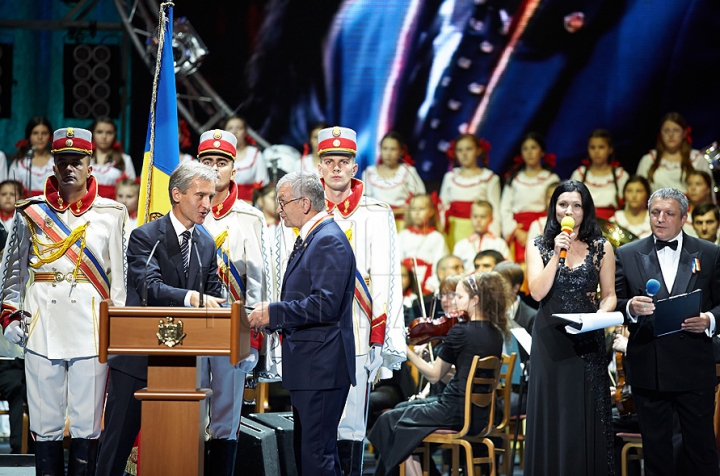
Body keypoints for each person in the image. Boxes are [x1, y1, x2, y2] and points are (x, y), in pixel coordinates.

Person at [0, 127, 128, 474]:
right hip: (42, 328)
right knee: (45, 424)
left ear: (90, 166)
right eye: (62, 161)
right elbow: (11, 269)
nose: (69, 168)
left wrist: (115, 327)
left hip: (93, 329)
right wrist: (10, 314)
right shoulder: (30, 212)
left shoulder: (112, 213)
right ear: (53, 166)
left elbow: (120, 281)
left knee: (88, 424)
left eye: (77, 161)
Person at [97, 161, 224, 476]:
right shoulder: (145, 237)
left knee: (176, 454)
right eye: (201, 196)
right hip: (137, 361)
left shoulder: (207, 243)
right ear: (177, 194)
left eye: (211, 196)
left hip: (182, 367)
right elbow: (149, 287)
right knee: (115, 450)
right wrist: (191, 298)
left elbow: (214, 294)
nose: (208, 205)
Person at [247, 171, 356, 475]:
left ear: (305, 203)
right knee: (308, 453)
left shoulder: (327, 241)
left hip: (321, 367)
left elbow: (325, 303)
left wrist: (275, 313)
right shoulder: (315, 238)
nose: (278, 209)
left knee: (317, 457)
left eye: (283, 202)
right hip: (312, 366)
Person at [314, 126, 406, 475]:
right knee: (313, 421)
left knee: (351, 422)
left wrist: (379, 337)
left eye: (344, 161)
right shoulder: (304, 208)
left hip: (359, 326)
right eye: (329, 161)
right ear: (318, 166)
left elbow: (386, 278)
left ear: (355, 167)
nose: (336, 168)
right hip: (313, 328)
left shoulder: (377, 212)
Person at [614, 187, 720, 476]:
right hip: (650, 368)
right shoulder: (626, 253)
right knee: (657, 453)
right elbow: (615, 303)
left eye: (669, 213)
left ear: (684, 217)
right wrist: (630, 308)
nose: (660, 219)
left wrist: (709, 319)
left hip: (694, 367)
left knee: (701, 450)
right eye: (655, 213)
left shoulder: (710, 253)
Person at [369, 271, 509, 476]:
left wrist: (407, 351)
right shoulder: (495, 333)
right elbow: (462, 375)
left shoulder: (460, 332)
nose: (456, 303)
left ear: (476, 300)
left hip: (453, 411)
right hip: (478, 414)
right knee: (401, 411)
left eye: (460, 297)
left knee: (389, 421)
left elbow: (434, 376)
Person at [524, 179, 617, 475]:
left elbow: (610, 294)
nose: (570, 210)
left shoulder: (602, 248)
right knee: (553, 412)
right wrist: (555, 254)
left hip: (587, 339)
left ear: (585, 210)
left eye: (577, 205)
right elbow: (537, 293)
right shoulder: (538, 245)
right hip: (550, 340)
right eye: (563, 204)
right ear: (554, 209)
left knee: (583, 412)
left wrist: (602, 314)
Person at [197, 129, 269, 474]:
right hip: (189, 326)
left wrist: (253, 337)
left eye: (220, 162)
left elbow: (258, 284)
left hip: (230, 327)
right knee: (189, 411)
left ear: (233, 169)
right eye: (207, 162)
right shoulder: (180, 212)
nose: (214, 169)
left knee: (226, 415)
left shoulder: (250, 218)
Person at [501, 132, 560, 263]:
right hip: (518, 232)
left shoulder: (551, 178)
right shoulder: (514, 179)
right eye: (525, 148)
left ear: (542, 152)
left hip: (543, 229)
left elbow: (555, 206)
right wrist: (516, 231)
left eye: (533, 148)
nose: (529, 152)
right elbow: (504, 209)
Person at [439, 134, 500, 248]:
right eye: (460, 150)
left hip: (478, 229)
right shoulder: (450, 177)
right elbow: (443, 206)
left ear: (478, 151)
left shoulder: (489, 178)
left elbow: (495, 211)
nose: (464, 154)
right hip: (453, 230)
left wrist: (493, 238)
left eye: (469, 149)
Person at [636, 112, 712, 193]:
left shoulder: (697, 160)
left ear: (684, 133)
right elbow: (638, 191)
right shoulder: (648, 160)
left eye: (676, 130)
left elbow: (708, 193)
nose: (671, 134)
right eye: (666, 130)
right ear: (661, 133)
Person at [362, 131, 426, 226]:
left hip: (401, 223)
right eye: (385, 148)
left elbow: (422, 199)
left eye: (393, 149)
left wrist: (402, 211)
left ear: (401, 151)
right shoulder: (369, 173)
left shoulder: (408, 171)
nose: (388, 153)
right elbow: (364, 202)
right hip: (377, 223)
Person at [570, 129, 629, 220]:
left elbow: (628, 206)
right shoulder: (579, 174)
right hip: (583, 223)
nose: (596, 151)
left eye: (601, 147)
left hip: (612, 224)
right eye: (592, 147)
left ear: (610, 149)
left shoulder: (620, 176)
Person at [397, 194, 448, 294]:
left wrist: (431, 286)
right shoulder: (403, 235)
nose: (416, 212)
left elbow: (440, 265)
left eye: (421, 209)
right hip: (404, 286)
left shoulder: (436, 237)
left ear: (431, 211)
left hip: (427, 286)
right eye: (413, 209)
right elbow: (397, 261)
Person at [453, 200, 510, 271]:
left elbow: (507, 268)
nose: (478, 220)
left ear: (491, 219)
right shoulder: (461, 245)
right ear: (470, 217)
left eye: (482, 217)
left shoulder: (499, 243)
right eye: (475, 216)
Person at [89, 116, 136, 199]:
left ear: (115, 134)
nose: (104, 137)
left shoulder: (125, 159)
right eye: (99, 132)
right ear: (93, 133)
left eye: (109, 133)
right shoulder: (85, 158)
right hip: (87, 205)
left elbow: (132, 189)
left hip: (115, 206)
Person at [226, 116, 269, 201]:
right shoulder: (219, 155)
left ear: (245, 132)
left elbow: (263, 184)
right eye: (230, 128)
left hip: (248, 204)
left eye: (239, 128)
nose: (234, 132)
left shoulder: (254, 154)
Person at [8, 117, 54, 196]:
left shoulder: (56, 162)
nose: (40, 137)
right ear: (29, 136)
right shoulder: (19, 163)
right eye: (35, 133)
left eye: (44, 133)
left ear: (50, 136)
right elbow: (11, 190)